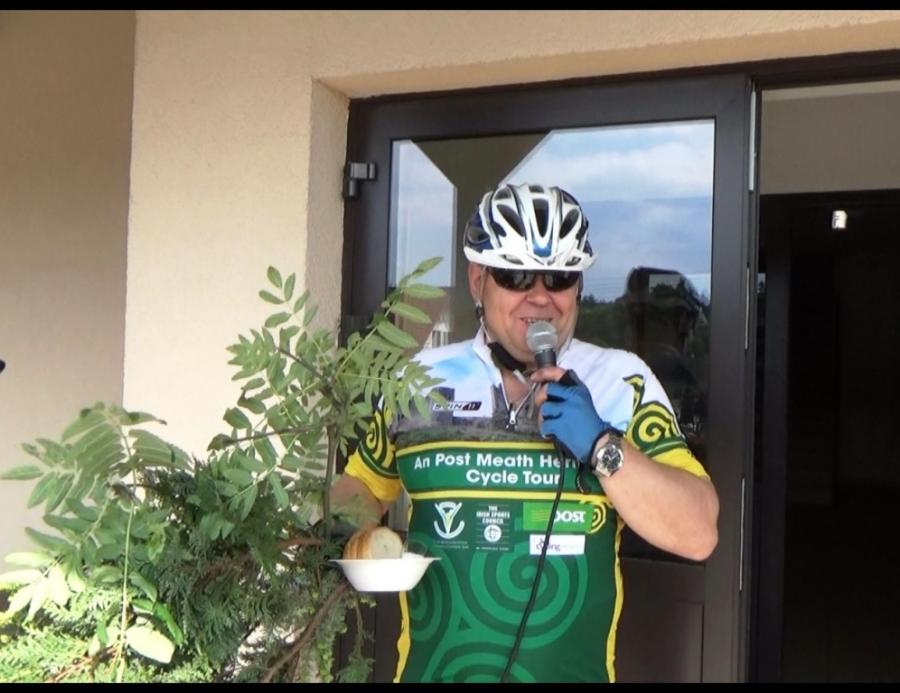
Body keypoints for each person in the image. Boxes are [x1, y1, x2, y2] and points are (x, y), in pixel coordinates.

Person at [331, 183, 719, 683]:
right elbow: (361, 488)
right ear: (478, 280)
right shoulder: (418, 380)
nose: (540, 297)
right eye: (515, 275)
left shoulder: (622, 382)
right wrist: (350, 534)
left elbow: (698, 533)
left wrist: (602, 446)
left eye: (559, 277)